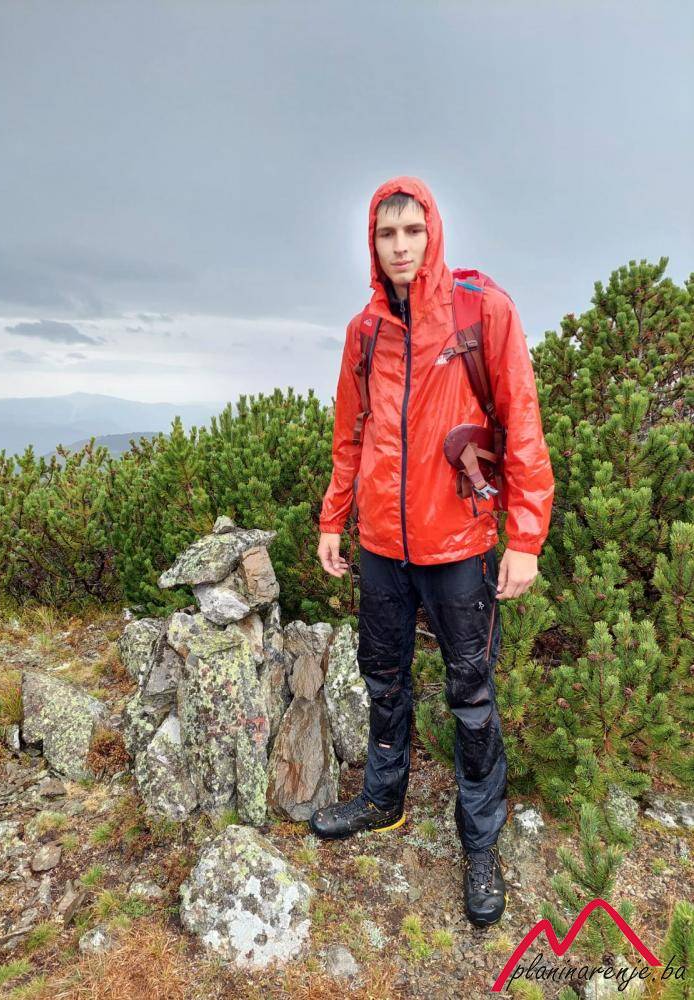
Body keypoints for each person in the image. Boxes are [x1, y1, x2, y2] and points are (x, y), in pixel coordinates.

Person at [309, 175, 554, 928]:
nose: (401, 246)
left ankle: (480, 844)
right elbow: (351, 435)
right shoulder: (365, 332)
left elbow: (522, 423)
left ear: (433, 232)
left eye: (412, 231)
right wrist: (333, 519)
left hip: (461, 545)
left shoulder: (483, 313)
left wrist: (526, 538)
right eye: (387, 234)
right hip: (383, 544)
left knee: (471, 698)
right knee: (383, 679)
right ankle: (383, 800)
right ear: (372, 244)